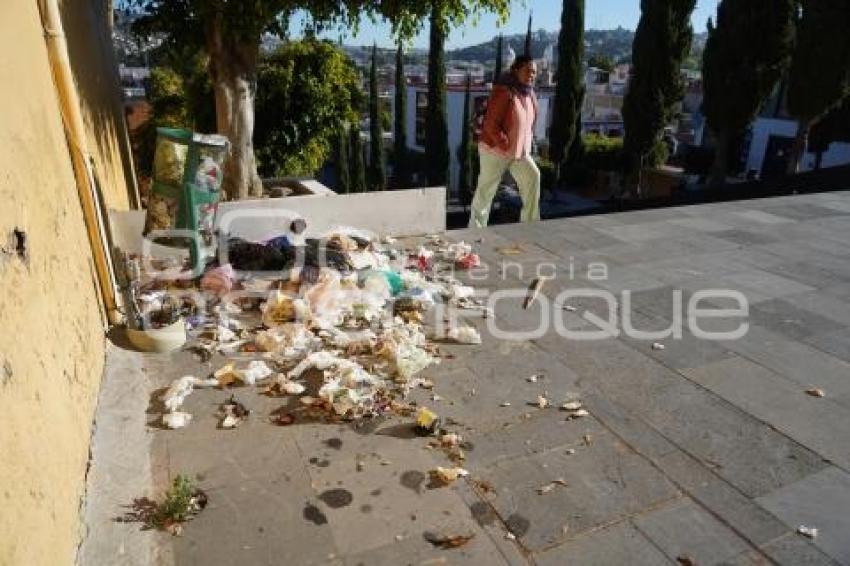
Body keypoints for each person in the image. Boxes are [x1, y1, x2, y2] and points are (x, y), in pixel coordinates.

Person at [469, 55, 541, 228]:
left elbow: (528, 124)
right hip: (495, 150)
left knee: (533, 176)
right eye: (527, 71)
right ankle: (475, 230)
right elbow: (490, 124)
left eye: (534, 72)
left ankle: (530, 225)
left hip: (518, 152)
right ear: (516, 70)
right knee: (486, 191)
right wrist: (505, 144)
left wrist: (526, 144)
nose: (531, 75)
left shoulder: (529, 93)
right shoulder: (504, 91)